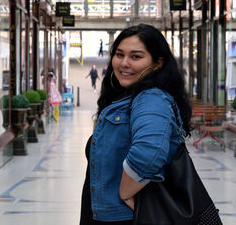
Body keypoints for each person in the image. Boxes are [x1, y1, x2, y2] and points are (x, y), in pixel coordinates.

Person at [80, 24, 191, 224]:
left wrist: (124, 192)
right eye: (119, 54)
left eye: (136, 57)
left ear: (157, 63)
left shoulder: (151, 98)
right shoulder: (130, 96)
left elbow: (148, 152)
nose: (124, 63)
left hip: (127, 216)